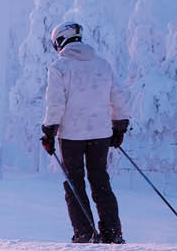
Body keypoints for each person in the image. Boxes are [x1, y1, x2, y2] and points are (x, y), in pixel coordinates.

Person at [40, 22, 130, 244]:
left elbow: (55, 104)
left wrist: (49, 132)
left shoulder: (59, 67)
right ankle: (113, 234)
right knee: (100, 181)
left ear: (61, 41)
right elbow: (118, 96)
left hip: (71, 135)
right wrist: (119, 127)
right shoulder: (102, 65)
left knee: (75, 183)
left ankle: (85, 233)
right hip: (100, 134)